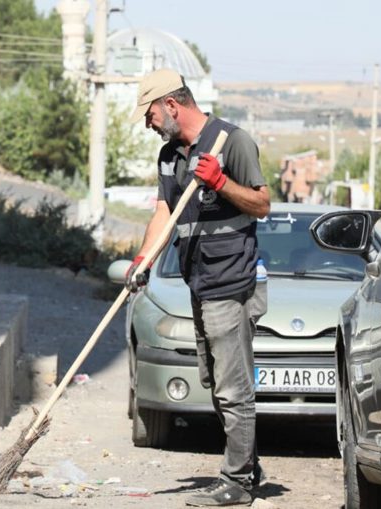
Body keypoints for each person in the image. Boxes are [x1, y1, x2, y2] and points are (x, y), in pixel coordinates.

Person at [126, 69, 270, 507]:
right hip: (199, 282)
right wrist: (143, 260)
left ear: (171, 104)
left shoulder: (233, 141)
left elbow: (263, 205)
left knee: (232, 387)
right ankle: (247, 462)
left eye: (150, 113)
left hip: (231, 280)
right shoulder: (169, 157)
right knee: (213, 380)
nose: (148, 123)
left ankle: (237, 483)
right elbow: (164, 213)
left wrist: (221, 182)